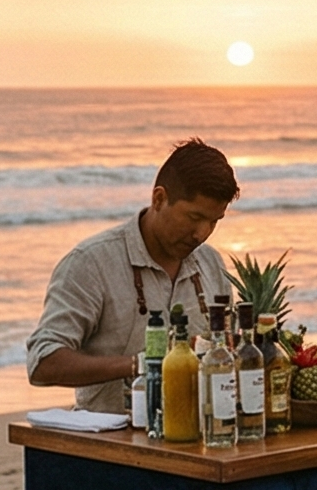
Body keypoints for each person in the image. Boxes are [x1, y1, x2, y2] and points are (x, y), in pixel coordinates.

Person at [26, 139, 241, 415]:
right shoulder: (91, 262)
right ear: (159, 198)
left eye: (214, 221)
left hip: (201, 439)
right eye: (193, 216)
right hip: (112, 444)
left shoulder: (211, 263)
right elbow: (42, 362)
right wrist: (145, 363)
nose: (202, 233)